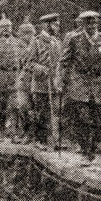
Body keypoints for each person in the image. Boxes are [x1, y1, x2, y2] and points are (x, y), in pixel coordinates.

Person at [56, 10, 101, 164]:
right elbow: (64, 62)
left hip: (99, 85)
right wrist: (60, 80)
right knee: (82, 119)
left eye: (94, 23)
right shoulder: (75, 40)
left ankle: (93, 148)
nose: (91, 26)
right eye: (87, 23)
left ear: (98, 24)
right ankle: (85, 151)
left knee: (99, 121)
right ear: (83, 24)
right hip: (80, 84)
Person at [25, 12, 63, 147]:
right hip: (41, 84)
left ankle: (55, 140)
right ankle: (41, 141)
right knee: (42, 113)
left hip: (55, 84)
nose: (58, 28)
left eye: (58, 25)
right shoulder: (36, 41)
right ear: (47, 26)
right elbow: (29, 63)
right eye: (55, 25)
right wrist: (41, 69)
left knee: (56, 111)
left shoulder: (58, 42)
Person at [0, 16, 27, 138]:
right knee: (0, 105)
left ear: (12, 28)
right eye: (3, 27)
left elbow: (24, 61)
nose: (6, 29)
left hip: (15, 76)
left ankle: (14, 131)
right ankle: (1, 129)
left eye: (8, 27)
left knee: (15, 105)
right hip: (1, 76)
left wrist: (22, 76)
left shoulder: (18, 42)